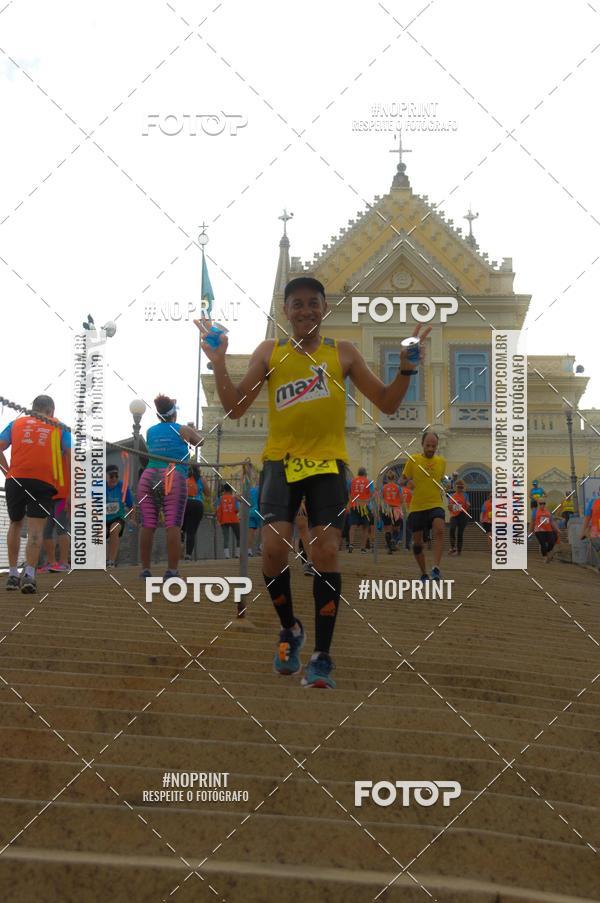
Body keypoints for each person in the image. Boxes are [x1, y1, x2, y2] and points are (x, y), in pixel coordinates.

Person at [196, 276, 428, 689]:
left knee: (324, 552)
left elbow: (389, 403)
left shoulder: (344, 353)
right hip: (280, 464)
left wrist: (407, 365)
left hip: (327, 465)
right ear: (285, 311)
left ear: (324, 308)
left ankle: (321, 656)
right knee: (271, 550)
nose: (305, 311)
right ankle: (289, 630)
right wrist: (217, 363)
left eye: (313, 303)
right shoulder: (271, 352)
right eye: (297, 304)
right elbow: (234, 409)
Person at [0, 395, 71, 593]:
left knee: (15, 523)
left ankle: (13, 574)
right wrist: (71, 492)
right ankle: (29, 574)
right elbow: (71, 457)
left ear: (33, 408)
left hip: (15, 478)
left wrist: (7, 471)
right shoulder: (59, 426)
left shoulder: (16, 423)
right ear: (51, 411)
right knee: (36, 530)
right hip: (43, 481)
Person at [137, 395, 203, 579]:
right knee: (173, 524)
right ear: (174, 414)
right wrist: (192, 431)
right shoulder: (182, 429)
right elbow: (200, 442)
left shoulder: (151, 431)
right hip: (173, 476)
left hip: (149, 476)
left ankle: (145, 570)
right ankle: (172, 571)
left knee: (147, 524)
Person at [402, 431, 446, 584]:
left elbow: (440, 480)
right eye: (428, 445)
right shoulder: (413, 460)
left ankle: (436, 568)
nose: (431, 448)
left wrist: (446, 485)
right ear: (422, 444)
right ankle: (423, 573)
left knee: (440, 529)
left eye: (433, 446)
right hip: (417, 507)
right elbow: (403, 479)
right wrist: (406, 483)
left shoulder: (441, 462)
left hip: (435, 503)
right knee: (417, 544)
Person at [39, 453, 71, 573]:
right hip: (50, 498)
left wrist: (70, 497)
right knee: (46, 531)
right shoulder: (49, 457)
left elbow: (77, 476)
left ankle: (64, 563)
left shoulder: (69, 455)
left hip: (63, 498)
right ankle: (52, 562)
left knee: (61, 528)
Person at [105, 464, 135, 567]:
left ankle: (111, 561)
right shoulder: (100, 487)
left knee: (114, 529)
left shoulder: (122, 486)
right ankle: (103, 559)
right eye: (111, 476)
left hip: (118, 518)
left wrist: (132, 519)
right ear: (106, 476)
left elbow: (131, 505)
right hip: (103, 519)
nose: (114, 479)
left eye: (116, 476)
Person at [181, 464, 209, 561]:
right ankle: (188, 555)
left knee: (181, 528)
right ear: (199, 470)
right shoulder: (202, 479)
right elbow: (208, 493)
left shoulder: (184, 478)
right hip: (197, 504)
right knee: (191, 531)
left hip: (185, 503)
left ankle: (180, 544)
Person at [348, 467, 373, 553]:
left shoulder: (352, 481)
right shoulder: (368, 482)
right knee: (365, 527)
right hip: (364, 506)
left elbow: (349, 492)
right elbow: (372, 493)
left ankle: (351, 544)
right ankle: (363, 547)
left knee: (353, 526)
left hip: (354, 505)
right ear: (365, 473)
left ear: (358, 473)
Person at [381, 469, 403, 554]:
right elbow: (401, 499)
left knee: (387, 529)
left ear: (387, 478)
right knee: (396, 528)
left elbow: (381, 499)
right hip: (396, 509)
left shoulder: (384, 488)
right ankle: (393, 540)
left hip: (386, 509)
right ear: (395, 478)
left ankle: (389, 548)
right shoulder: (398, 487)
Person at [216, 483, 240, 558]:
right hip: (234, 519)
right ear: (230, 490)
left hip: (224, 519)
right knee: (239, 536)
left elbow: (217, 509)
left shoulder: (220, 498)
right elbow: (237, 509)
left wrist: (218, 520)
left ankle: (227, 555)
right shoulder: (234, 498)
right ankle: (237, 554)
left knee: (226, 538)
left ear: (224, 490)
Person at [533, 497, 560, 563]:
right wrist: (529, 532)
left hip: (548, 530)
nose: (542, 505)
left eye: (544, 503)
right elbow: (532, 522)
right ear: (538, 504)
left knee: (552, 542)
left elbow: (552, 522)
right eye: (540, 503)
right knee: (543, 544)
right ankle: (545, 557)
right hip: (539, 531)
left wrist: (557, 529)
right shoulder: (535, 512)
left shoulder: (548, 512)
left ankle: (547, 552)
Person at [448, 478, 470, 556]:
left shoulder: (465, 495)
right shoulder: (452, 495)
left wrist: (467, 505)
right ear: (455, 487)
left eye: (461, 487)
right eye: (458, 487)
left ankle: (459, 550)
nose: (460, 488)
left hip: (462, 515)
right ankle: (453, 547)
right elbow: (449, 506)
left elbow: (467, 505)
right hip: (454, 515)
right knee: (452, 529)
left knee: (460, 533)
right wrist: (455, 507)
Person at [579, 494, 600, 570]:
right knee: (598, 548)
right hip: (596, 532)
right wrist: (582, 531)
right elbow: (587, 518)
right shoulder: (593, 502)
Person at [247, 481, 261, 557]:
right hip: (259, 511)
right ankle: (260, 547)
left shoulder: (251, 490)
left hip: (250, 512)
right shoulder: (263, 489)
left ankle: (249, 551)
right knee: (261, 530)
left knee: (250, 532)